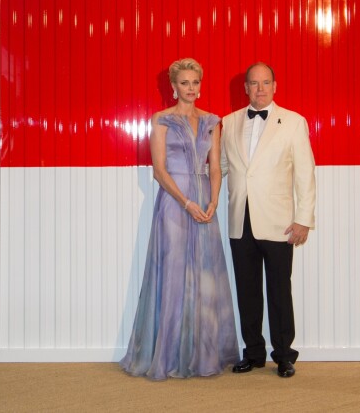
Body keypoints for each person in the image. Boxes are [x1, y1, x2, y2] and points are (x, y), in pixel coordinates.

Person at [120, 58, 239, 380]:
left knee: (205, 277)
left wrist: (213, 200)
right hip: (174, 204)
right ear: (173, 87)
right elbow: (159, 171)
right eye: (184, 83)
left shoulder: (213, 121)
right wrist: (186, 202)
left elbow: (215, 167)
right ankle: (168, 354)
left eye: (195, 82)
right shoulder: (161, 120)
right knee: (172, 274)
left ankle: (203, 355)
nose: (191, 88)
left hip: (204, 204)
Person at [220, 62, 316, 378]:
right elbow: (220, 168)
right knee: (247, 291)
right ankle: (254, 353)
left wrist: (303, 219)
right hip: (240, 219)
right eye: (253, 83)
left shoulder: (293, 122)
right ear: (245, 88)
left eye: (265, 83)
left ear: (275, 86)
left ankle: (284, 355)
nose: (259, 89)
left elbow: (305, 174)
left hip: (279, 222)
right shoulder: (229, 122)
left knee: (278, 290)